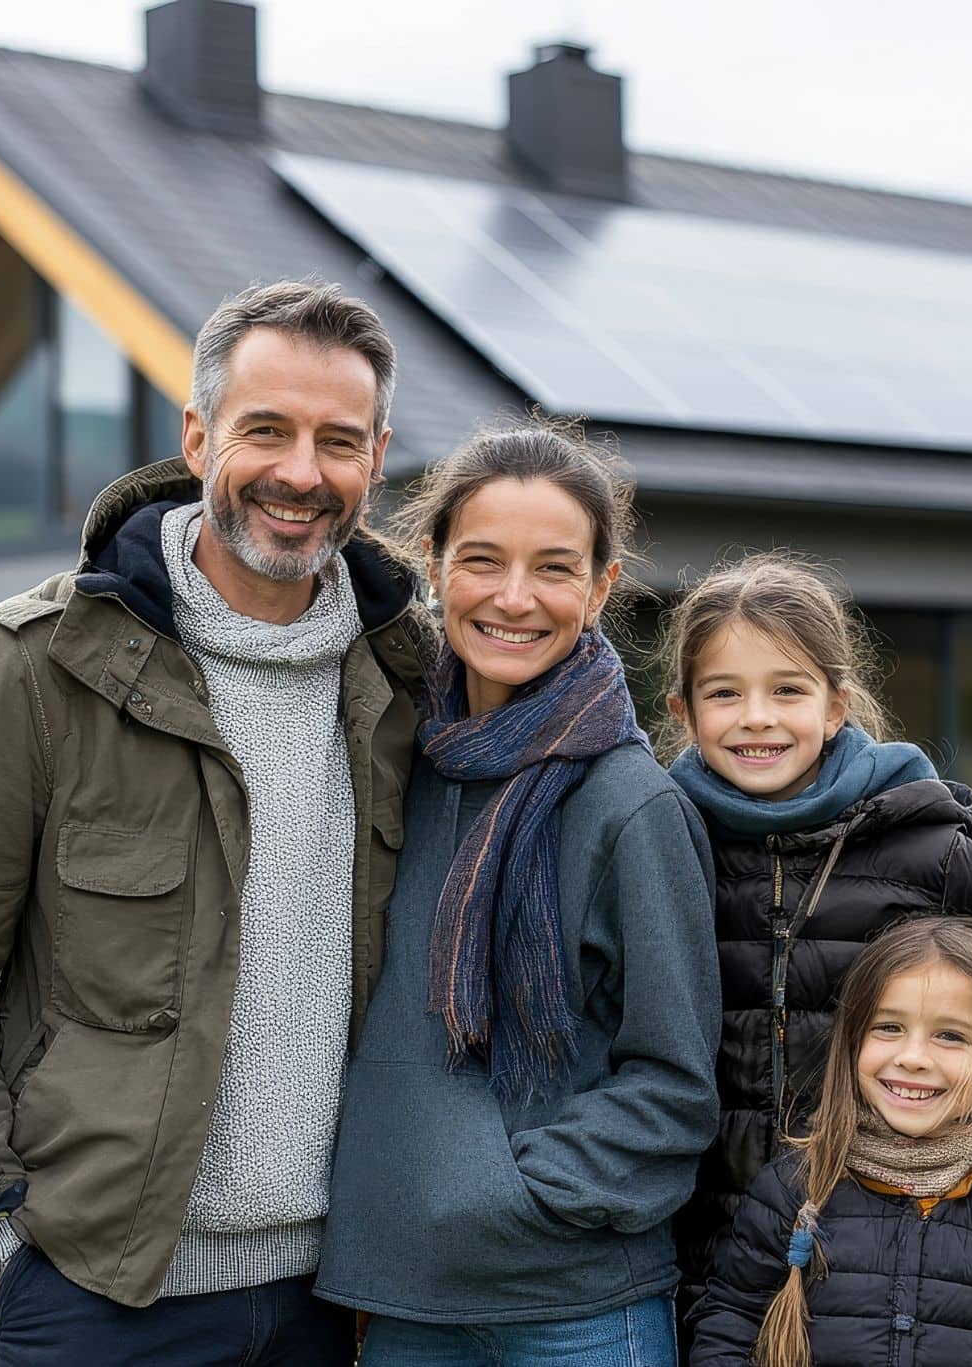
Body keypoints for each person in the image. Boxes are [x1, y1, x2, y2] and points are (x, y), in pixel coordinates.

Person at [0, 281, 428, 1365]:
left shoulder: (407, 677)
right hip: (96, 1297)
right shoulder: (35, 665)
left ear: (377, 455)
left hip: (342, 1298)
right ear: (199, 433)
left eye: (337, 441)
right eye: (266, 429)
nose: (301, 473)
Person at [312, 421, 721, 1363]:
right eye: (483, 560)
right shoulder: (386, 765)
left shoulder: (631, 803)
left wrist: (509, 1191)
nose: (513, 597)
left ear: (602, 587)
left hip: (573, 1301)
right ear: (435, 562)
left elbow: (673, 1081)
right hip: (403, 1298)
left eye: (553, 568)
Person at [662, 552, 972, 1314]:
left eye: (787, 689)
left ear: (834, 707)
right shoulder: (663, 844)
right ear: (684, 711)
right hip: (697, 1277)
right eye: (726, 693)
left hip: (881, 1281)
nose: (756, 716)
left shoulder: (924, 852)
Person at [689, 917, 972, 1365]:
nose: (912, 1058)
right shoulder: (791, 1190)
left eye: (950, 1036)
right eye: (888, 1027)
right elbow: (728, 1332)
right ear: (852, 1039)